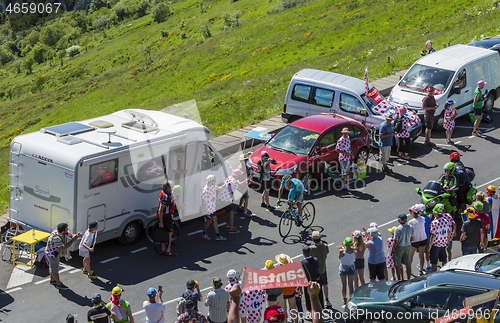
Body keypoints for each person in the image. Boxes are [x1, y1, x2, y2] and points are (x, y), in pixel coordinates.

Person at [45, 223, 82, 290]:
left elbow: (71, 235)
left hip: (55, 252)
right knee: (55, 269)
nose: (67, 229)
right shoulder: (55, 237)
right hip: (52, 254)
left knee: (52, 266)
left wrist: (77, 235)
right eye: (66, 228)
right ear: (62, 231)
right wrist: (73, 240)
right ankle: (59, 284)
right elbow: (64, 247)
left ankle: (52, 280)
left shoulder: (61, 232)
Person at [201, 175, 227, 241]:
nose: (215, 181)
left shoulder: (213, 186)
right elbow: (203, 202)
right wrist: (206, 211)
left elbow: (218, 188)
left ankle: (218, 235)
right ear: (211, 181)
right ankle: (204, 233)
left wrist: (224, 186)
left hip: (212, 208)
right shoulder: (205, 190)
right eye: (214, 180)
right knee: (209, 222)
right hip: (208, 209)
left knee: (215, 220)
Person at [308, 231, 330, 307]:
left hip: (315, 271)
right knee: (325, 284)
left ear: (312, 239)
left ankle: (317, 301)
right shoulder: (325, 246)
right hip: (323, 268)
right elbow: (326, 256)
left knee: (315, 286)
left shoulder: (311, 248)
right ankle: (327, 300)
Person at [427, 206, 451, 272]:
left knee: (434, 263)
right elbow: (448, 232)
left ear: (436, 214)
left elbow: (433, 235)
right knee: (444, 260)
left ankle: (433, 276)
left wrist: (430, 246)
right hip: (443, 244)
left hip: (436, 245)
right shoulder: (445, 221)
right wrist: (448, 241)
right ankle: (445, 273)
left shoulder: (434, 223)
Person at [218, 170, 243, 234]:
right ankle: (231, 229)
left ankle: (227, 226)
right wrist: (246, 184)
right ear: (237, 175)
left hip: (222, 197)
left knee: (228, 212)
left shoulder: (230, 178)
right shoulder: (234, 182)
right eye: (240, 174)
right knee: (231, 212)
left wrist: (244, 181)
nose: (241, 175)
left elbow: (237, 184)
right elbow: (242, 191)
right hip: (225, 199)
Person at [391, 214, 414, 280]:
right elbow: (412, 239)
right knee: (408, 264)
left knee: (397, 264)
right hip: (407, 247)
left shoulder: (398, 229)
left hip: (399, 248)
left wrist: (392, 250)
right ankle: (409, 278)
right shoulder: (410, 227)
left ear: (400, 220)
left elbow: (395, 241)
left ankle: (399, 279)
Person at [275, 254, 297, 323]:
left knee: (284, 308)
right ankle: (296, 321)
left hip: (283, 291)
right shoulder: (291, 268)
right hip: (291, 290)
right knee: (293, 308)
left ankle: (286, 321)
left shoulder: (277, 270)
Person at [301, 245, 324, 310]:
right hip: (317, 280)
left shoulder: (303, 263)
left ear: (303, 254)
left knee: (309, 297)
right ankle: (321, 308)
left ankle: (311, 310)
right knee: (319, 295)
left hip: (308, 282)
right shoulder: (316, 260)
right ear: (310, 252)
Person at [158, 180, 177, 256]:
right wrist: (161, 222)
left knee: (163, 232)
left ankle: (163, 249)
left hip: (166, 215)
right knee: (169, 233)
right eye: (171, 187)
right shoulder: (165, 196)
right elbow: (161, 209)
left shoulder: (165, 193)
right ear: (167, 188)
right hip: (166, 216)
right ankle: (168, 250)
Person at [408, 205, 427, 276]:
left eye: (410, 211)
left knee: (411, 256)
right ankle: (421, 270)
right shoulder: (422, 218)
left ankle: (409, 270)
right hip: (423, 238)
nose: (409, 212)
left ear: (413, 212)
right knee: (421, 255)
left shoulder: (411, 222)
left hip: (415, 240)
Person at [337, 237, 355, 305]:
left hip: (343, 268)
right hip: (351, 268)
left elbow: (339, 257)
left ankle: (344, 298)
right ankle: (351, 298)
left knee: (343, 284)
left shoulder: (342, 251)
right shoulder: (354, 250)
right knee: (350, 285)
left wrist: (343, 247)